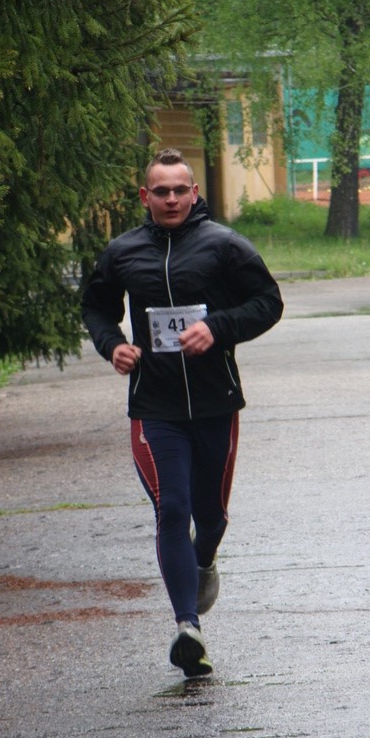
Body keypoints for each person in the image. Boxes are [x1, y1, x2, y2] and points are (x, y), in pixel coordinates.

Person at [81, 148, 283, 678]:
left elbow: (268, 302)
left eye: (179, 190)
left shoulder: (225, 245)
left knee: (209, 517)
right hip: (155, 406)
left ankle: (206, 557)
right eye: (160, 191)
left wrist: (217, 327)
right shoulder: (123, 252)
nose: (170, 199)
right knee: (171, 508)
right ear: (144, 196)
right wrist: (112, 345)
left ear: (194, 193)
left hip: (215, 402)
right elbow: (96, 306)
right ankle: (187, 628)